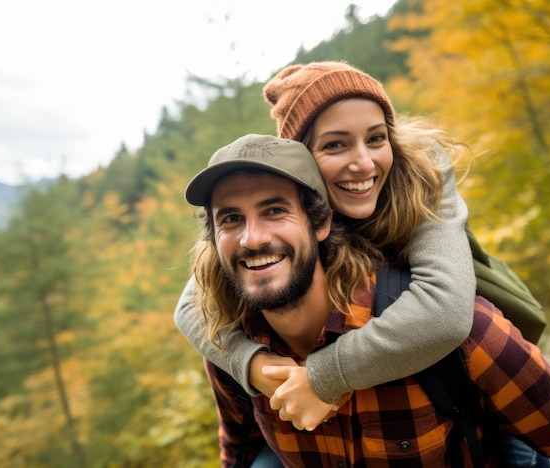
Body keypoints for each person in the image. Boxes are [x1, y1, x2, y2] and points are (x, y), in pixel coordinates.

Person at [187, 133, 550, 467]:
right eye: (231, 219)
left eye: (275, 210)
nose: (252, 237)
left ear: (320, 224)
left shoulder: (456, 336)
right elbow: (238, 454)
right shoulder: (233, 348)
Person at [175, 61, 477, 431]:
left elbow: (446, 311)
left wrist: (322, 377)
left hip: (481, 370)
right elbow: (191, 306)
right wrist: (253, 364)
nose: (363, 163)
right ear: (300, 162)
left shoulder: (422, 174)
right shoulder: (277, 214)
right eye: (335, 145)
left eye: (376, 138)